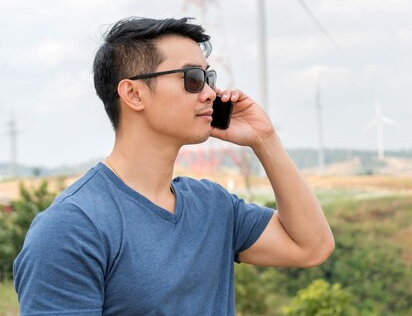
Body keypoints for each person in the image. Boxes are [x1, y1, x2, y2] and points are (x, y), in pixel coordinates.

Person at [13, 17, 335, 315]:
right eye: (193, 79)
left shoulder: (212, 206)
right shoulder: (72, 228)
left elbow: (310, 247)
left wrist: (265, 139)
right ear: (134, 94)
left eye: (209, 77)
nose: (211, 93)